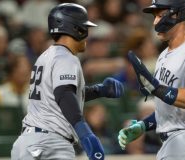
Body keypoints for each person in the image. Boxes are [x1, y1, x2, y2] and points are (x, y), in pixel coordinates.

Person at [11, 3, 124, 160]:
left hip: (28, 143)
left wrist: (99, 90)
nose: (87, 33)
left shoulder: (45, 56)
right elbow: (64, 94)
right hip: (50, 144)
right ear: (75, 29)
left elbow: (60, 93)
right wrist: (85, 134)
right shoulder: (65, 57)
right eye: (85, 28)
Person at [118, 0, 185, 160]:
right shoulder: (163, 56)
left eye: (160, 15)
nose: (155, 21)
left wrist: (157, 89)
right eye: (154, 16)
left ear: (177, 14)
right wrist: (143, 125)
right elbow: (167, 106)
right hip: (174, 142)